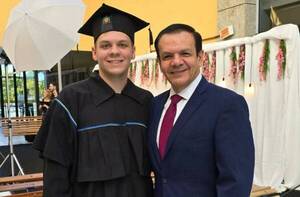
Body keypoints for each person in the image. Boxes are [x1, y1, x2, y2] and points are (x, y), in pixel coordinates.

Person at [33, 3, 153, 197]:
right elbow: (55, 178)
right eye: (106, 45)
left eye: (122, 44)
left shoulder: (146, 102)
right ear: (94, 52)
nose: (114, 51)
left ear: (133, 51)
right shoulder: (70, 101)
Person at [148, 24, 254, 197]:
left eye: (185, 53)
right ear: (159, 63)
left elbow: (236, 182)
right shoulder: (155, 105)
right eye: (167, 56)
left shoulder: (227, 105)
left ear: (200, 57)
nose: (176, 61)